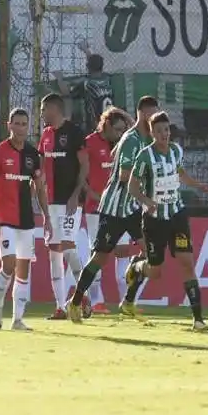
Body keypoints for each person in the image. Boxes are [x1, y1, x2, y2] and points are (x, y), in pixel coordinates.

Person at [113, 111, 208, 330]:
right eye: (158, 131)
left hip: (177, 215)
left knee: (187, 262)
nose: (164, 134)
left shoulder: (176, 151)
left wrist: (198, 185)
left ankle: (198, 319)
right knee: (155, 271)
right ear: (152, 133)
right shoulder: (144, 156)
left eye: (166, 130)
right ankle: (138, 267)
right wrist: (146, 201)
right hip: (154, 220)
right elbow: (132, 186)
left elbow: (180, 173)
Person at [68, 96, 159, 321]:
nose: (155, 119)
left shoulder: (147, 140)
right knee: (99, 258)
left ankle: (128, 300)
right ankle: (76, 301)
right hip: (114, 208)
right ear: (143, 114)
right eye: (152, 114)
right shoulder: (130, 140)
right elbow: (125, 176)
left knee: (152, 254)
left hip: (132, 207)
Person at [0, 108, 52, 331]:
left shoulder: (32, 155)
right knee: (9, 263)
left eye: (24, 124)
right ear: (9, 125)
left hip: (26, 220)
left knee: (23, 269)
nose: (21, 128)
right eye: (17, 123)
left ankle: (17, 320)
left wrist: (47, 216)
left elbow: (39, 188)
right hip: (4, 219)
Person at [38, 93, 89, 320]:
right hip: (51, 202)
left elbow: (85, 166)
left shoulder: (74, 132)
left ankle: (83, 296)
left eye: (43, 109)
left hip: (70, 202)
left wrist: (76, 194)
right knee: (54, 253)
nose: (41, 113)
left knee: (68, 246)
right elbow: (41, 168)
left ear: (54, 109)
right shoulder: (46, 135)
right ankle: (60, 307)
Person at [81, 106, 131, 314]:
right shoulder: (89, 142)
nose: (120, 134)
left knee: (123, 251)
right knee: (98, 253)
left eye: (122, 130)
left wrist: (122, 114)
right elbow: (81, 176)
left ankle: (127, 301)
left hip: (120, 208)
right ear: (106, 125)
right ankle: (96, 300)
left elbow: (136, 128)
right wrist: (93, 195)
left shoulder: (123, 143)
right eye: (117, 129)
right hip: (96, 209)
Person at [56, 46, 114, 134]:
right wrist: (86, 51)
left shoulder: (87, 84)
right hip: (111, 124)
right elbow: (94, 65)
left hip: (95, 127)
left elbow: (66, 93)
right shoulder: (107, 78)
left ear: (87, 67)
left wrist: (59, 78)